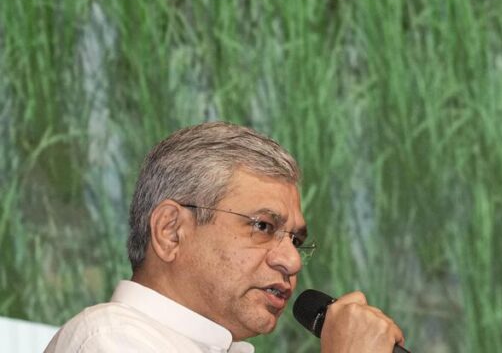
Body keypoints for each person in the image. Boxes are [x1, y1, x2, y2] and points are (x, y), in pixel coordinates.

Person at [45, 121, 407, 353]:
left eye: (295, 240)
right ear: (170, 231)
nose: (292, 261)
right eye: (263, 226)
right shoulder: (110, 340)